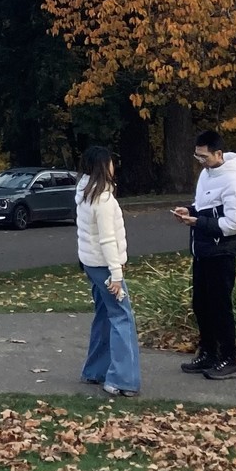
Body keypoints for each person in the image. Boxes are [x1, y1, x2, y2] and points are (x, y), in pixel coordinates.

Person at [172, 128, 236, 380]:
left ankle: (229, 358)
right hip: (202, 250)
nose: (201, 163)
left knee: (220, 307)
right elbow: (204, 207)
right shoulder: (206, 175)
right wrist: (189, 210)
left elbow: (235, 222)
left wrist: (199, 223)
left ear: (219, 153)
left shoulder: (234, 181)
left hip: (220, 252)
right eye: (197, 157)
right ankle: (208, 352)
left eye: (204, 157)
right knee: (201, 305)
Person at [75, 144, 140, 397]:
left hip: (92, 264)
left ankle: (95, 370)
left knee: (104, 315)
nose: (114, 166)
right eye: (111, 162)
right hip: (104, 266)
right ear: (104, 166)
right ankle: (122, 380)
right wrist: (116, 274)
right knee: (122, 318)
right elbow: (107, 239)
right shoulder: (102, 198)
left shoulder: (84, 193)